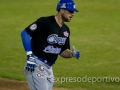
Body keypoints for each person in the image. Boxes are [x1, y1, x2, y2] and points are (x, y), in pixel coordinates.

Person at [21, 0, 80, 90]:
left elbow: (62, 51)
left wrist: (72, 54)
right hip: (36, 64)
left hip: (49, 68)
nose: (73, 14)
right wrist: (30, 55)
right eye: (70, 11)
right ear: (62, 10)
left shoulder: (66, 30)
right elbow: (25, 33)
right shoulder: (45, 22)